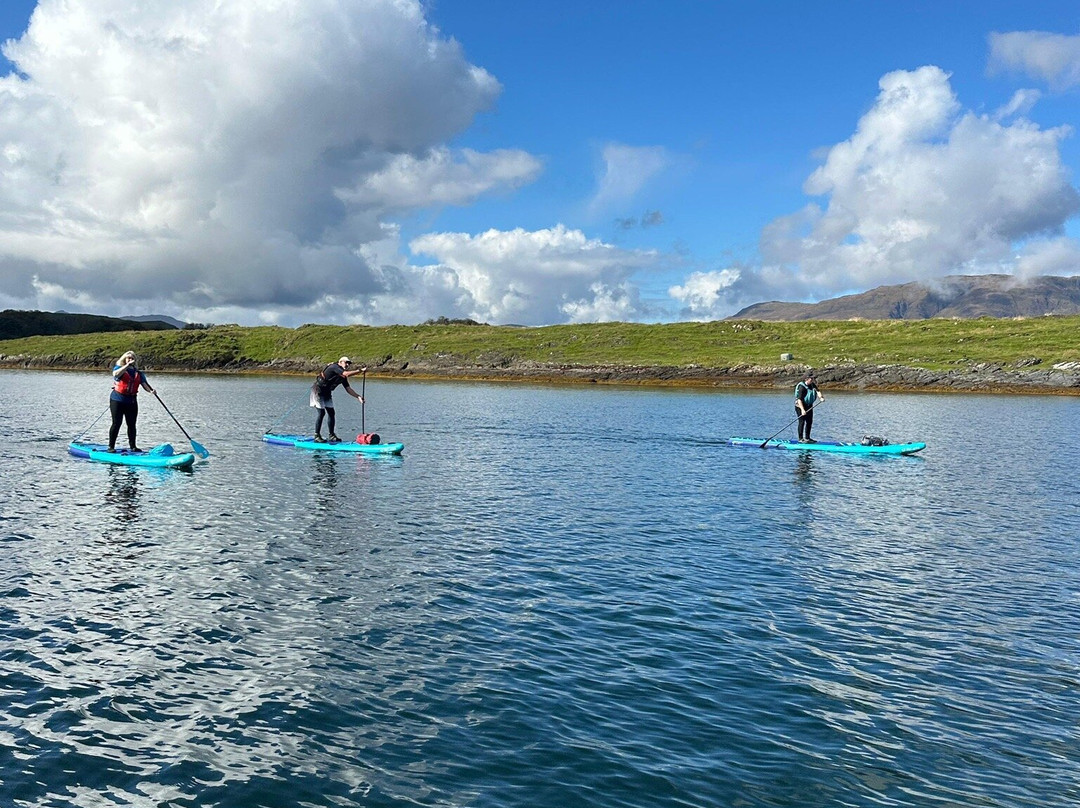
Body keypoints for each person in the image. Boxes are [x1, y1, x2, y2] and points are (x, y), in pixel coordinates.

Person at [109, 350, 155, 452]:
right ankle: (111, 447)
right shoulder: (119, 368)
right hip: (117, 400)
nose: (130, 359)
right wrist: (126, 366)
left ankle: (133, 446)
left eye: (132, 358)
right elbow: (115, 374)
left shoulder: (138, 373)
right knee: (117, 423)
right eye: (128, 358)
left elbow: (145, 385)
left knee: (132, 424)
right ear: (124, 359)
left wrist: (151, 391)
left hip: (131, 401)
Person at [310, 356, 364, 442]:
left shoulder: (342, 376)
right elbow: (346, 374)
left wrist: (358, 397)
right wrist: (360, 371)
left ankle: (331, 435)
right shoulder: (334, 367)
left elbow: (348, 389)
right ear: (340, 362)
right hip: (318, 390)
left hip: (327, 392)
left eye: (348, 363)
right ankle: (317, 435)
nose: (347, 365)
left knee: (331, 413)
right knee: (321, 413)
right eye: (346, 362)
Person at [794, 373, 823, 443]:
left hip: (809, 405)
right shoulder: (802, 387)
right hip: (800, 406)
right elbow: (799, 400)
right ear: (807, 379)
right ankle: (800, 439)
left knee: (809, 422)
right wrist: (802, 410)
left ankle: (807, 438)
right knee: (802, 422)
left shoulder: (812, 385)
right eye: (811, 379)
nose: (812, 380)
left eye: (813, 379)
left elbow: (818, 391)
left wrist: (821, 397)